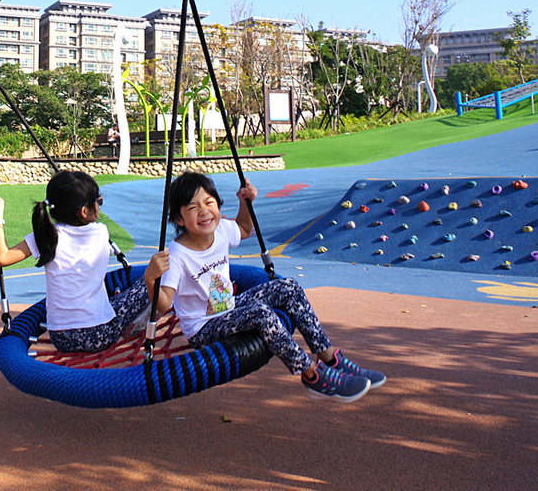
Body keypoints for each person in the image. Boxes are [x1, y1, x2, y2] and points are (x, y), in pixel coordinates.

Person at [144, 171, 386, 402]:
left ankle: (329, 356)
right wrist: (151, 279)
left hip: (229, 308)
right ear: (179, 219)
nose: (204, 212)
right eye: (193, 208)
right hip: (203, 327)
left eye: (209, 203)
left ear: (218, 205)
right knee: (261, 313)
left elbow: (245, 228)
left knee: (288, 286)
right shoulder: (177, 255)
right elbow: (163, 305)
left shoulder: (221, 231)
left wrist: (245, 202)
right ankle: (312, 375)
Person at [0, 170, 150, 353]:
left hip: (61, 337)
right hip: (100, 333)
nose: (100, 206)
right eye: (99, 201)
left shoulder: (46, 236)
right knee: (151, 278)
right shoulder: (101, 232)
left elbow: (3, 258)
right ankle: (138, 320)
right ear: (84, 211)